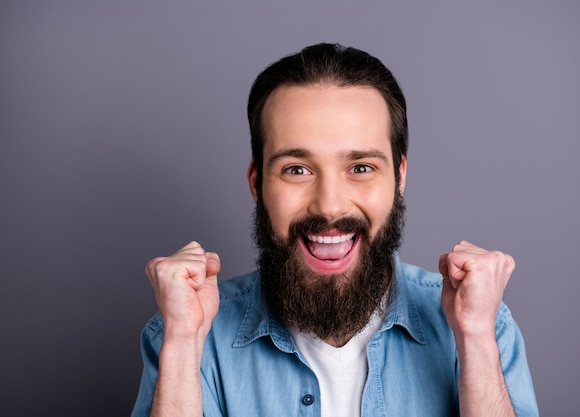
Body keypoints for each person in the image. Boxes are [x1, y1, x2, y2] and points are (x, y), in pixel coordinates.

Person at [131, 43, 538, 417]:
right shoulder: (188, 334)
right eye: (297, 169)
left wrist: (476, 339)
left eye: (360, 168)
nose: (329, 205)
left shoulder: (483, 325)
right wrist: (183, 343)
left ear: (399, 178)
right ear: (257, 184)